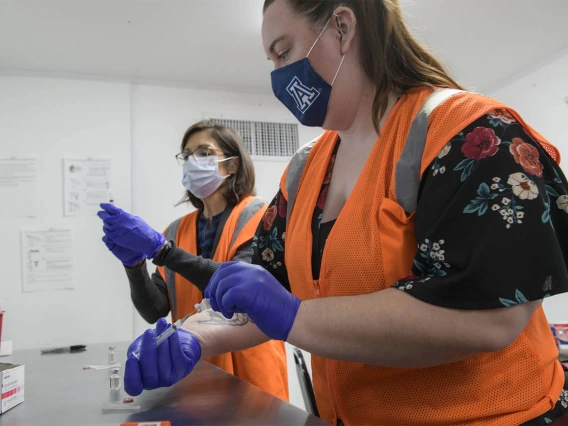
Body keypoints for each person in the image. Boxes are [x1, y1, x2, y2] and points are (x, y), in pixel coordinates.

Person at [113, 1, 568, 424]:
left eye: (284, 52)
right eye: (271, 62)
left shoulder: (470, 133)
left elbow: (491, 316)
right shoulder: (306, 168)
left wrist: (296, 318)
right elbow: (265, 293)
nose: (278, 76)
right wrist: (196, 335)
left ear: (343, 28)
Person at [97, 120, 289, 401]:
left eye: (203, 152)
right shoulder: (177, 230)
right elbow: (155, 309)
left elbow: (242, 292)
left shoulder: (260, 217)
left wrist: (164, 252)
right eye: (187, 155)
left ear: (232, 165)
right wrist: (135, 265)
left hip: (252, 376)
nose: (192, 161)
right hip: (193, 373)